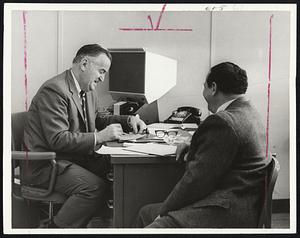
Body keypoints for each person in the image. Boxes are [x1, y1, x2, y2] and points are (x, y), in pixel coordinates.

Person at [22, 44, 147, 228]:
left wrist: (128, 120)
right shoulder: (55, 90)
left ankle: (103, 225)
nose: (102, 78)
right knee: (93, 188)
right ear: (84, 63)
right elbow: (57, 139)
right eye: (101, 71)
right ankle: (54, 230)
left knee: (120, 172)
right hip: (46, 165)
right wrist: (100, 137)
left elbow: (98, 119)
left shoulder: (87, 90)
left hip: (69, 158)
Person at [136, 62, 271, 228]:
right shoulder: (249, 112)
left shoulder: (223, 122)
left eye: (204, 87)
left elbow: (196, 181)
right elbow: (225, 145)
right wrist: (194, 143)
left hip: (227, 211)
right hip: (245, 204)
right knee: (145, 212)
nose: (203, 92)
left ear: (213, 88)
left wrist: (163, 213)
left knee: (154, 223)